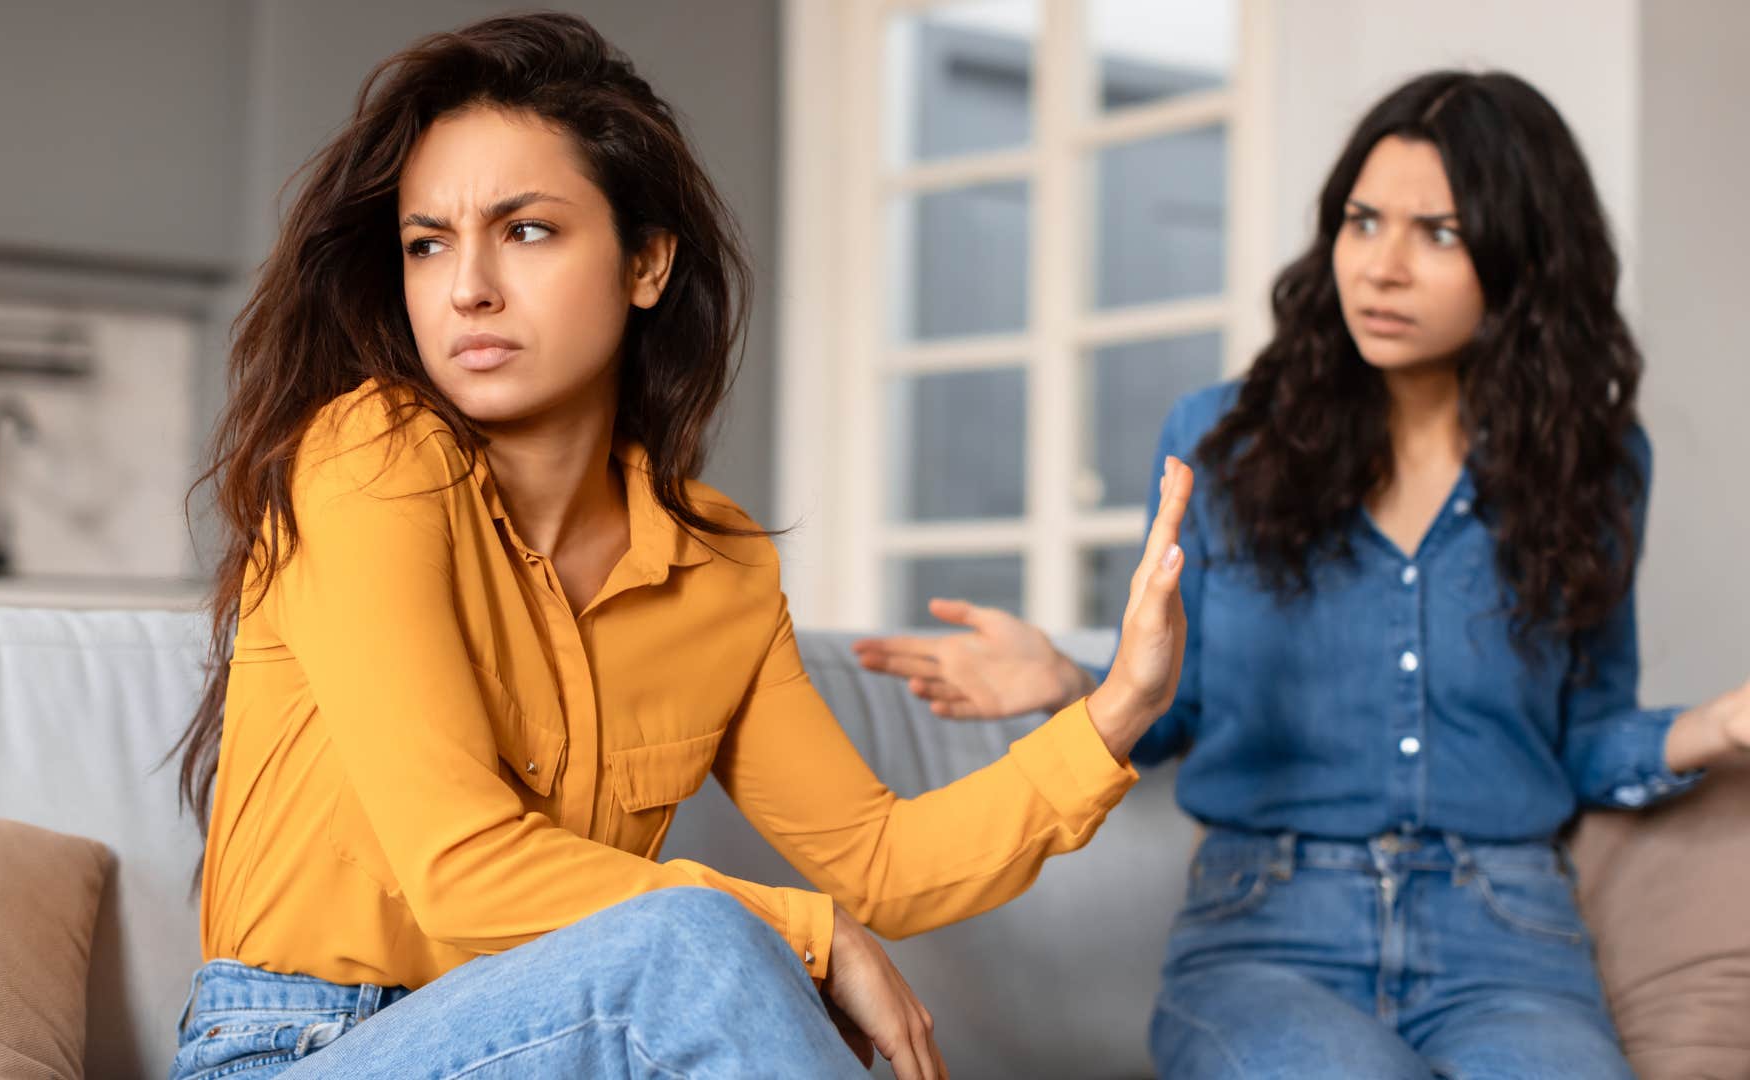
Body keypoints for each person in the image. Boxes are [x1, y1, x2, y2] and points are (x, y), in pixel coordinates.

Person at [162, 13, 1196, 1080]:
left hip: (564, 1045)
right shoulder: (370, 455)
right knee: (688, 944)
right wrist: (810, 933)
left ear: (646, 262)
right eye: (429, 243)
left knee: (689, 949)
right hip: (296, 1048)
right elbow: (462, 868)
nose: (467, 286)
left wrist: (1123, 702)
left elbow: (880, 861)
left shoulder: (720, 567)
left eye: (526, 231)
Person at [855, 70, 1750, 1079]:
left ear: (1525, 261)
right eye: (1363, 223)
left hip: (1508, 937)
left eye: (1439, 235)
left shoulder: (1596, 462)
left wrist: (1718, 726)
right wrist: (1073, 680)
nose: (1382, 268)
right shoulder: (1221, 440)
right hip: (1267, 931)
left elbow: (1582, 738)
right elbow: (1183, 704)